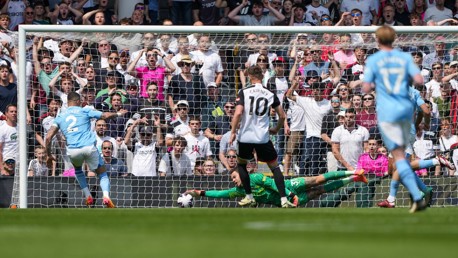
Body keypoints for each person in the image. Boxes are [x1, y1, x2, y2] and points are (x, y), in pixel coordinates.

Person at [362, 25, 427, 213]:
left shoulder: (375, 59)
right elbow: (419, 80)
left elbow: (366, 88)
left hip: (389, 110)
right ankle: (417, 195)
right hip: (405, 111)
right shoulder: (405, 57)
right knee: (398, 161)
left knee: (399, 160)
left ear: (378, 40)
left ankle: (415, 196)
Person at [45, 92, 128, 208]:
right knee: (102, 173)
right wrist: (118, 113)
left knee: (78, 170)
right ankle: (106, 197)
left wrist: (48, 155)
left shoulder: (60, 116)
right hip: (89, 147)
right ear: (78, 101)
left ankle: (88, 196)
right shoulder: (84, 110)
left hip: (73, 151)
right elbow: (104, 116)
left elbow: (48, 137)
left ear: (67, 102)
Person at [229, 65, 295, 208]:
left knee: (241, 164)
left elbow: (239, 112)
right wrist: (276, 129)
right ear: (262, 76)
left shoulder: (244, 91)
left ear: (249, 76)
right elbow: (282, 115)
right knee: (275, 167)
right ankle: (284, 199)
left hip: (245, 136)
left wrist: (233, 131)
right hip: (262, 137)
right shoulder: (269, 93)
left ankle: (249, 197)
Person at [185, 168, 368, 207]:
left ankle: (353, 171)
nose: (233, 180)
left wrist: (288, 193)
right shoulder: (241, 191)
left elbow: (273, 184)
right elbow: (220, 194)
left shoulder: (255, 177)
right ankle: (354, 179)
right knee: (319, 191)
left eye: (234, 176)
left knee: (317, 180)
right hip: (286, 202)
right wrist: (200, 193)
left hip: (288, 188)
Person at [0, 104, 17, 176]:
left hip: (18, 165)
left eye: (15, 111)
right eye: (11, 111)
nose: (14, 113)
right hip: (7, 164)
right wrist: (1, 168)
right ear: (6, 113)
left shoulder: (21, 128)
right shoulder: (2, 129)